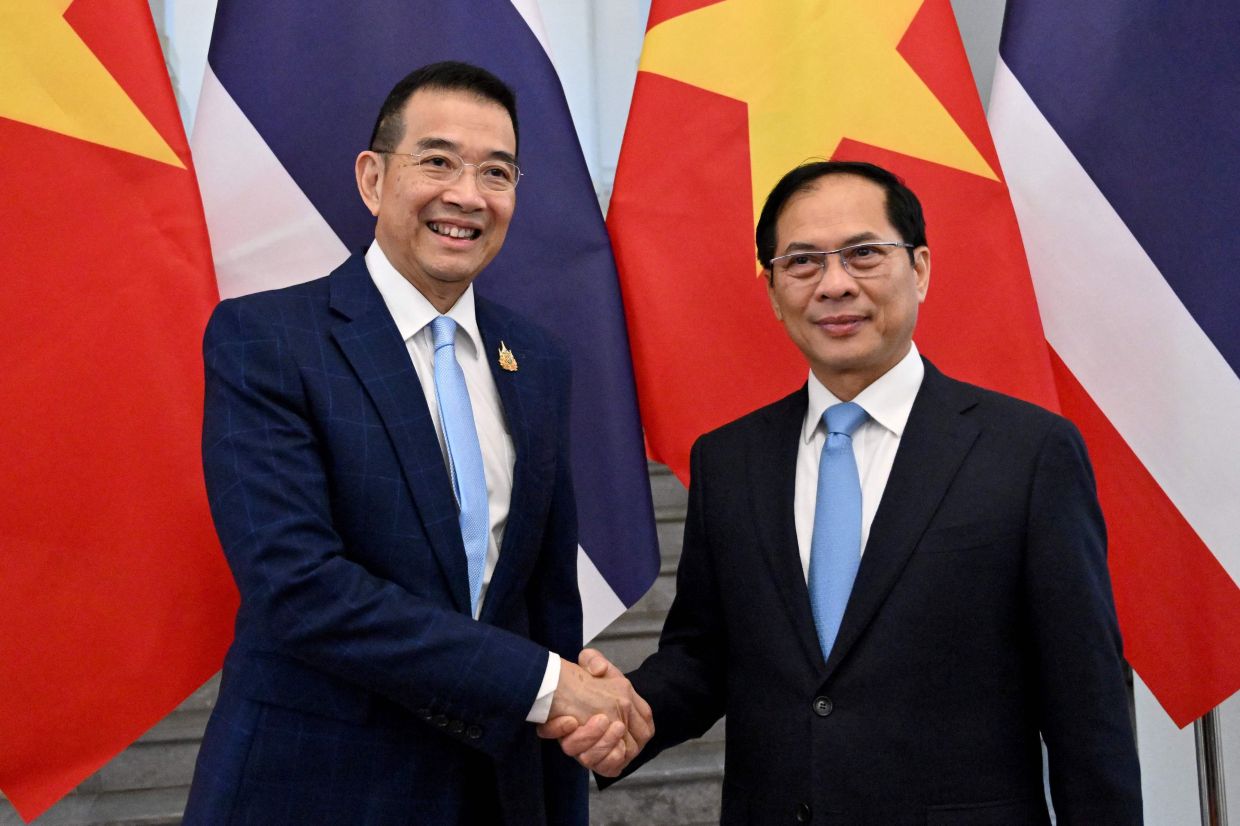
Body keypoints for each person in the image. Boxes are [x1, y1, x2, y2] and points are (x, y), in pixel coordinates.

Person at [543, 161, 1142, 824]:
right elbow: (705, 654)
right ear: (772, 289)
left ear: (919, 269)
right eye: (802, 263)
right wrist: (631, 713)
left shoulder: (1029, 453)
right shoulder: (729, 460)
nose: (834, 285)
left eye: (863, 254)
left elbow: (1088, 705)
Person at [184, 61, 651, 826]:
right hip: (314, 789)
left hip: (493, 791)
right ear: (372, 179)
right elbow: (298, 587)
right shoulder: (266, 340)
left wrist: (568, 695)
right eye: (436, 161)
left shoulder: (536, 360)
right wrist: (543, 682)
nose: (466, 196)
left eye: (495, 173)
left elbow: (543, 603)